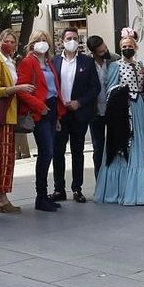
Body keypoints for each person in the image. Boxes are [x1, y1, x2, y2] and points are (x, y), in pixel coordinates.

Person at [95, 28, 144, 205]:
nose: (127, 48)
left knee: (139, 143)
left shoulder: (140, 66)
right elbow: (110, 89)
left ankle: (139, 188)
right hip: (122, 110)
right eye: (124, 46)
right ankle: (119, 190)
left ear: (135, 47)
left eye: (130, 46)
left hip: (140, 107)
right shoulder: (115, 66)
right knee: (123, 145)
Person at [51, 29, 100, 203]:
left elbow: (95, 88)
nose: (72, 41)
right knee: (58, 152)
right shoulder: (54, 61)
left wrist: (79, 102)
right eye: (68, 38)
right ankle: (59, 189)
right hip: (60, 113)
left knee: (77, 152)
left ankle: (77, 189)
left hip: (79, 113)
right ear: (62, 41)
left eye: (75, 38)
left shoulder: (87, 62)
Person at [0, 30, 31, 214]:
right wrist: (17, 88)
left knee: (8, 157)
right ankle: (0, 198)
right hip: (2, 115)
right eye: (7, 41)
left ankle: (3, 196)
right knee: (3, 156)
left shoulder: (11, 62)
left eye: (13, 42)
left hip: (11, 115)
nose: (10, 44)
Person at [18, 30, 59, 212]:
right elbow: (22, 90)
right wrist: (39, 106)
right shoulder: (28, 62)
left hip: (52, 109)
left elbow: (54, 88)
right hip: (39, 111)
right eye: (38, 40)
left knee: (49, 153)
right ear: (32, 44)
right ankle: (40, 196)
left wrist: (57, 115)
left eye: (45, 40)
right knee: (46, 153)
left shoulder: (49, 63)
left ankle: (44, 195)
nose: (42, 43)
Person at [88, 35, 115, 181]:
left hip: (113, 111)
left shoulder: (114, 59)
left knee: (114, 146)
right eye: (100, 51)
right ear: (93, 52)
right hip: (95, 111)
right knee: (98, 148)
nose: (104, 52)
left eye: (105, 48)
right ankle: (100, 180)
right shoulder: (87, 63)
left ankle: (113, 180)